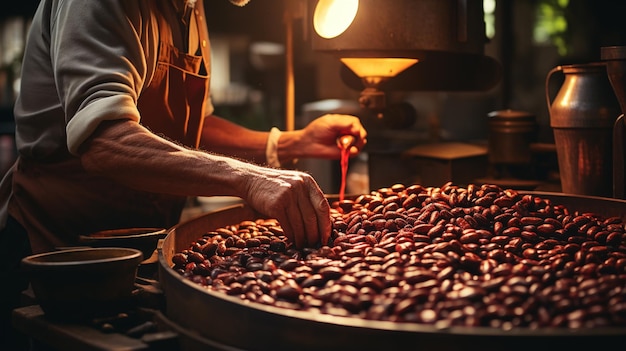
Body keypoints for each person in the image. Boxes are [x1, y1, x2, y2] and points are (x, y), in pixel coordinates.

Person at [0, 0, 367, 349]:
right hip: (58, 253)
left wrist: (290, 143)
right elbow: (105, 141)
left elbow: (192, 130)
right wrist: (251, 179)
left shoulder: (189, 7)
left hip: (143, 248)